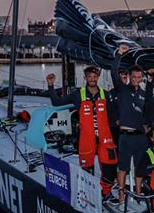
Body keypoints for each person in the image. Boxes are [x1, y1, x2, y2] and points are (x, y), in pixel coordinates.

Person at [47, 66, 117, 197]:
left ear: (98, 77)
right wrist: (51, 86)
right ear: (85, 78)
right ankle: (89, 195)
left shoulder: (105, 94)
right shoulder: (78, 94)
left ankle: (106, 193)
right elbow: (57, 102)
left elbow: (113, 115)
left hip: (105, 138)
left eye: (94, 76)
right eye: (89, 76)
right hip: (86, 139)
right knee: (87, 169)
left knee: (110, 168)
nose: (92, 79)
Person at [111, 44, 150, 203]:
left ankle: (139, 194)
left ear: (141, 78)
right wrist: (119, 54)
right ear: (129, 76)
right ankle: (121, 194)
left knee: (140, 168)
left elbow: (148, 113)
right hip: (126, 136)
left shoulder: (143, 94)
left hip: (141, 137)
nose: (136, 80)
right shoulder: (122, 89)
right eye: (133, 77)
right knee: (123, 168)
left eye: (139, 77)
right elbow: (114, 72)